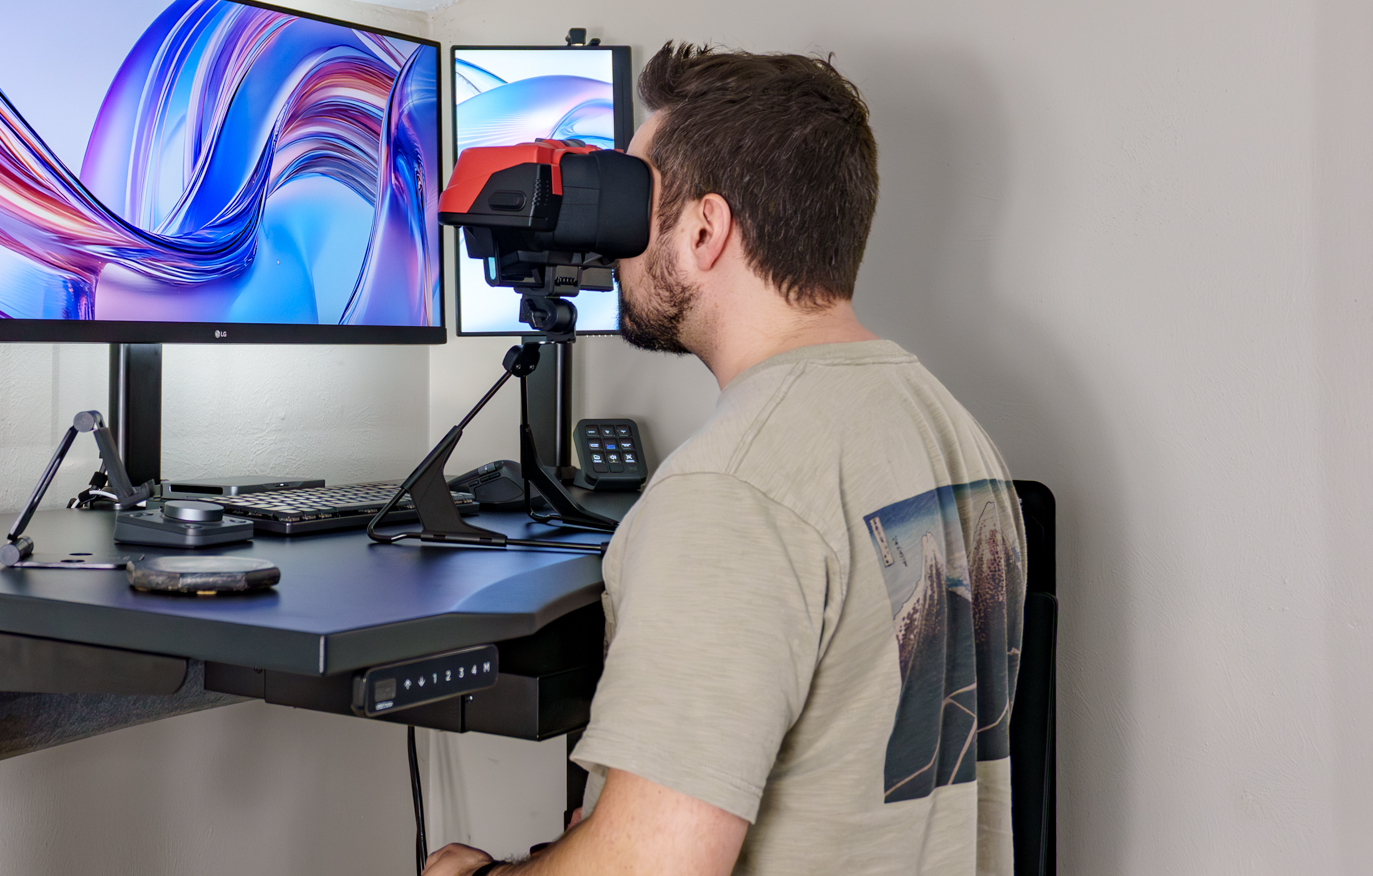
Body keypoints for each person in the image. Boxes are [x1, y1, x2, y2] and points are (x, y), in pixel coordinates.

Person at [426, 44, 1026, 876]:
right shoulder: (951, 429)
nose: (622, 244)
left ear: (706, 229)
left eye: (640, 202)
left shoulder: (732, 490)